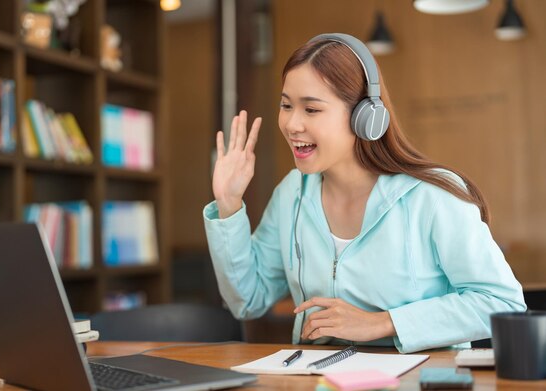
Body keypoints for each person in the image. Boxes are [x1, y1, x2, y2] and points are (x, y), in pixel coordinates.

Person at [203, 33, 526, 353]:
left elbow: (500, 303)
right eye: (286, 105)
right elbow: (247, 300)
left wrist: (385, 322)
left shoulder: (433, 196)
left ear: (365, 117)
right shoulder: (291, 194)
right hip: (320, 376)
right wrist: (229, 205)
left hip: (419, 380)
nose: (291, 124)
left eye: (311, 109)